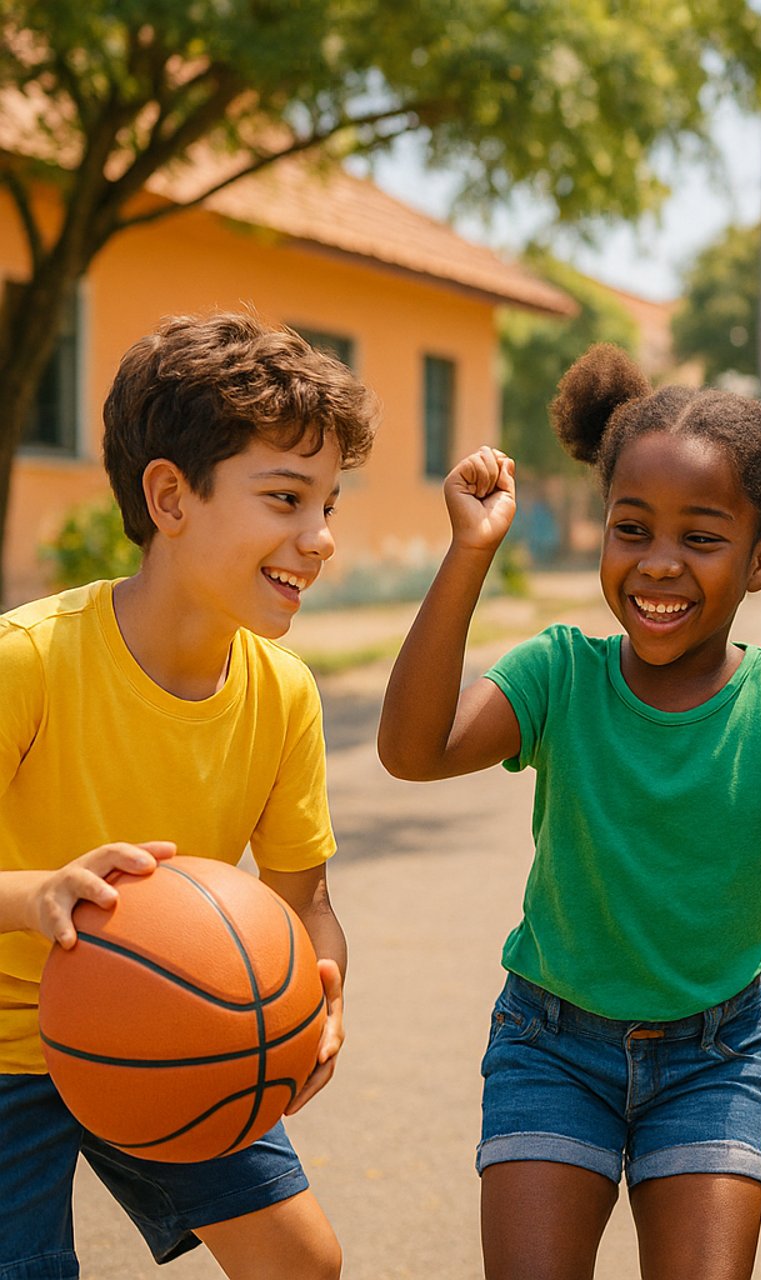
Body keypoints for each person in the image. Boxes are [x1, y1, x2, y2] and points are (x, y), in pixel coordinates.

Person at [377, 343, 761, 1279]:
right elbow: (412, 751)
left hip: (714, 1058)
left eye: (701, 538)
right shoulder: (559, 673)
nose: (659, 565)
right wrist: (472, 551)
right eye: (633, 529)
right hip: (550, 1044)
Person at [0, 313, 371, 1277]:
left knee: (304, 1265)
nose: (319, 538)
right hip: (3, 1044)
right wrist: (35, 897)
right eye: (286, 498)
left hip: (178, 1034)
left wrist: (319, 998)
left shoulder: (283, 693)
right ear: (169, 495)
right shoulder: (29, 663)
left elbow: (306, 904)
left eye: (329, 503)